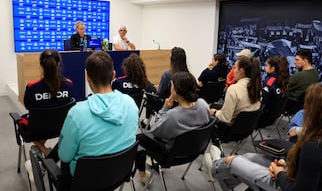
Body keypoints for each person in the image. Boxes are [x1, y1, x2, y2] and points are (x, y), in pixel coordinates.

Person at [205, 83, 322, 191]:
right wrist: (286, 165)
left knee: (233, 161)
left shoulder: (313, 147)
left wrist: (280, 173)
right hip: (294, 175)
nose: (304, 109)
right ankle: (219, 172)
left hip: (284, 185)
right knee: (249, 157)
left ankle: (214, 167)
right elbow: (317, 170)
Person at [58, 52, 138, 185]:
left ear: (87, 77)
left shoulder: (76, 114)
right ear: (113, 75)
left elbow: (64, 156)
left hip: (85, 181)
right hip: (119, 175)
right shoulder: (130, 104)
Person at [136, 71, 210, 184]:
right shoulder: (203, 105)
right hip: (194, 151)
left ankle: (142, 174)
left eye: (172, 85)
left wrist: (165, 108)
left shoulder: (173, 116)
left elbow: (155, 130)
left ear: (176, 90)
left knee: (140, 138)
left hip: (171, 156)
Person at [20, 49, 74, 155]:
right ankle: (45, 150)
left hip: (36, 129)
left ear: (41, 65)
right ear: (58, 64)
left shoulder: (32, 87)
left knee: (25, 122)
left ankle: (43, 149)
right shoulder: (68, 85)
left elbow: (28, 106)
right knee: (49, 119)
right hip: (61, 127)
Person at [210, 56, 262, 142]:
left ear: (241, 71)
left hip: (228, 131)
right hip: (247, 128)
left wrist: (215, 112)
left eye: (235, 67)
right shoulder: (257, 88)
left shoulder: (234, 89)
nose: (233, 71)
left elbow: (225, 118)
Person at [258, 55, 289, 127]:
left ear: (272, 69)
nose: (264, 67)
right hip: (274, 117)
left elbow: (263, 104)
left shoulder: (269, 83)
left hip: (263, 119)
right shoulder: (284, 81)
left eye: (266, 65)